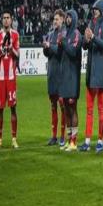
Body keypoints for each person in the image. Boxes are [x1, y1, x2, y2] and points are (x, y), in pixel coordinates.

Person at [79, 0, 103, 153]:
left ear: (102, 10)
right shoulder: (91, 24)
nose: (94, 11)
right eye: (93, 9)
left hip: (101, 71)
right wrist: (85, 39)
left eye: (97, 9)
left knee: (101, 108)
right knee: (89, 109)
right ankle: (87, 141)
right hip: (91, 71)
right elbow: (85, 46)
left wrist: (92, 38)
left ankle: (99, 140)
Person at [0, 9, 20, 149]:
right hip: (1, 78)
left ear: (11, 20)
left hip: (11, 78)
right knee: (0, 109)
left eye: (8, 17)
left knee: (13, 108)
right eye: (4, 17)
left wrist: (10, 49)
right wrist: (2, 49)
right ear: (1, 20)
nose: (5, 20)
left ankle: (14, 139)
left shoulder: (15, 34)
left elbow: (17, 54)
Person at [58, 10, 82, 152]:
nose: (67, 19)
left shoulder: (77, 34)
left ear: (74, 19)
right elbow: (61, 53)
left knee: (73, 108)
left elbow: (73, 52)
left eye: (69, 17)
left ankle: (74, 141)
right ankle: (68, 140)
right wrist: (58, 45)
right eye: (66, 17)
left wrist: (64, 42)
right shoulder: (65, 33)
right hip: (64, 76)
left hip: (73, 76)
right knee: (66, 109)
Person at [43, 9, 67, 147]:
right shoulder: (50, 34)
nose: (55, 21)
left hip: (61, 74)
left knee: (62, 105)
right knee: (53, 106)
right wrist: (45, 48)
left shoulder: (64, 34)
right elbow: (48, 53)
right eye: (54, 19)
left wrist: (49, 46)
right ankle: (54, 136)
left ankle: (63, 136)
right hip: (51, 74)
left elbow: (59, 51)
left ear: (62, 19)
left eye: (57, 19)